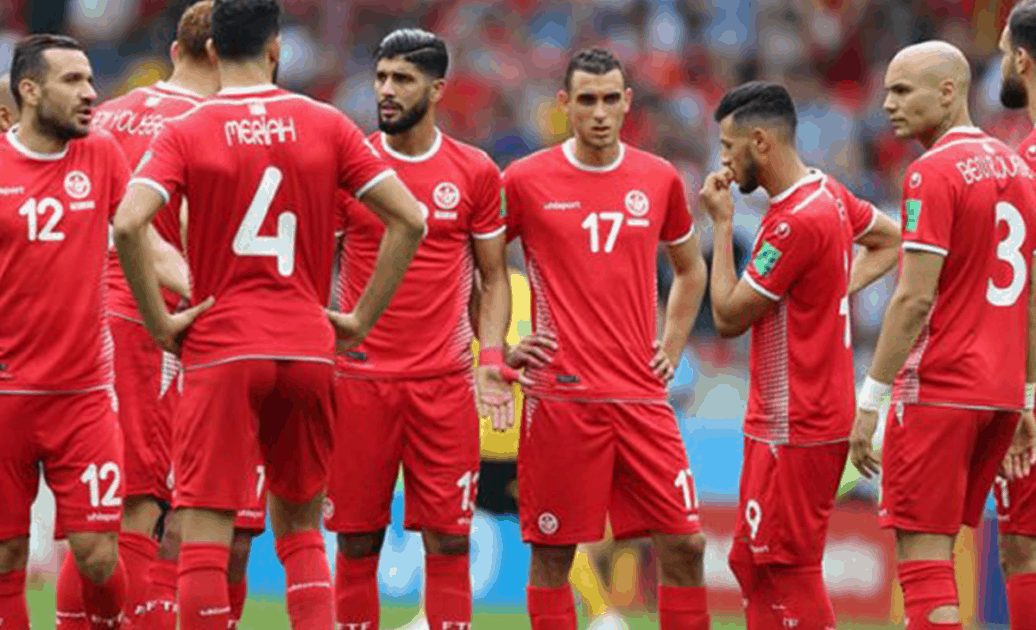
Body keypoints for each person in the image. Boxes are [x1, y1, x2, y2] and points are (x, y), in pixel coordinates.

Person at [112, 1, 426, 629]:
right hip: (307, 345)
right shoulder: (326, 123)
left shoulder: (190, 128)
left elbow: (126, 224)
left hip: (223, 347)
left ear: (211, 50)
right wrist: (359, 318)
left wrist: (160, 323)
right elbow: (411, 219)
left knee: (203, 531)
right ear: (276, 49)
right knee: (301, 532)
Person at [502, 46, 710, 630]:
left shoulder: (659, 177)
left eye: (610, 99)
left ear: (627, 103)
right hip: (561, 397)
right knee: (553, 555)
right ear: (565, 104)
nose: (599, 112)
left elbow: (690, 269)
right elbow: (483, 266)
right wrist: (498, 346)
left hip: (641, 396)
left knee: (686, 543)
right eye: (587, 100)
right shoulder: (524, 179)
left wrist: (671, 345)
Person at [326, 28, 519, 630]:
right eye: (381, 77)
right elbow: (314, 264)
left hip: (442, 383)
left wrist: (491, 356)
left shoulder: (474, 171)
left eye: (403, 79)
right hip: (359, 381)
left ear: (436, 90)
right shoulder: (349, 166)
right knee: (357, 540)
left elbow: (493, 278)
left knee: (450, 539)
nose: (386, 90)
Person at [83, 4, 260, 629]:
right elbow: (186, 233)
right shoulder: (211, 125)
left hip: (88, 316)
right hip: (159, 319)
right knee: (160, 505)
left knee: (107, 501)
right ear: (220, 53)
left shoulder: (107, 113)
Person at [699, 81, 900, 630]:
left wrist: (721, 224)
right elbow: (888, 238)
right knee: (749, 560)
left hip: (798, 422)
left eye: (728, 146)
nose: (723, 160)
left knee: (790, 567)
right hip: (786, 417)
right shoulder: (828, 192)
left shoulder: (794, 221)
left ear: (760, 142)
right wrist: (830, 293)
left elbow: (727, 318)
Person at [850, 40, 1036, 630]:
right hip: (999, 396)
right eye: (887, 92)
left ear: (949, 92)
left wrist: (870, 401)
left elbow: (913, 298)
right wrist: (1027, 395)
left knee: (924, 563)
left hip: (939, 389)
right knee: (975, 550)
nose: (888, 105)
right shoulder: (1018, 167)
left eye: (903, 91)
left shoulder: (930, 172)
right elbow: (1031, 296)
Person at [0, 33, 142, 630]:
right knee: (6, 558)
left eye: (89, 78)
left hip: (82, 397)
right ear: (30, 91)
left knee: (97, 555)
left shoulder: (102, 154)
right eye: (73, 81)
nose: (90, 92)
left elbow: (140, 237)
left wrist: (192, 287)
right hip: (6, 397)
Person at [991, 9, 1036, 627]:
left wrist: (1025, 391)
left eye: (1003, 52)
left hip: (1031, 380)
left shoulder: (1025, 162)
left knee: (1023, 545)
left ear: (1022, 60)